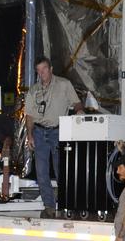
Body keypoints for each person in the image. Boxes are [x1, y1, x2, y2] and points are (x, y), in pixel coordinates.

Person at [23, 57, 83, 217]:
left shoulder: (64, 85)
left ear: (51, 69)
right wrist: (30, 135)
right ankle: (49, 205)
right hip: (39, 132)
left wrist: (79, 111)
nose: (41, 73)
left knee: (61, 169)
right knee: (41, 171)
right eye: (38, 71)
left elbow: (76, 102)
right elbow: (29, 115)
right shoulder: (34, 90)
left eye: (44, 69)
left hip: (58, 131)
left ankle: (66, 204)